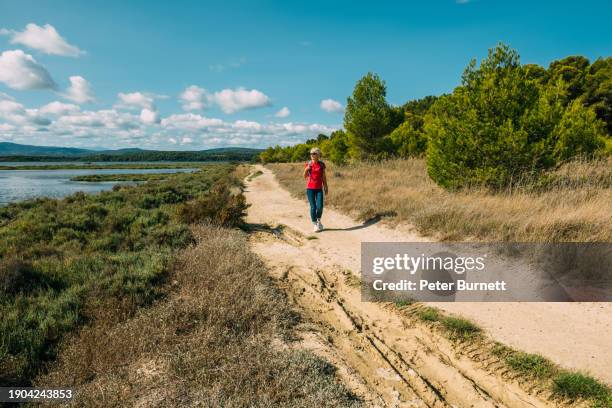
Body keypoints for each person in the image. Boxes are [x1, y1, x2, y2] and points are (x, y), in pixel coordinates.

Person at [303, 147, 328, 232]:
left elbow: (324, 177)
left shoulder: (321, 164)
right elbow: (304, 177)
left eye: (314, 153)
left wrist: (326, 187)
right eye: (311, 153)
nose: (312, 155)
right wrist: (306, 170)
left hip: (319, 189)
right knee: (313, 207)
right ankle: (314, 224)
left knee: (320, 206)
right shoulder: (309, 164)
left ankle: (318, 220)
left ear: (318, 155)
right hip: (310, 189)